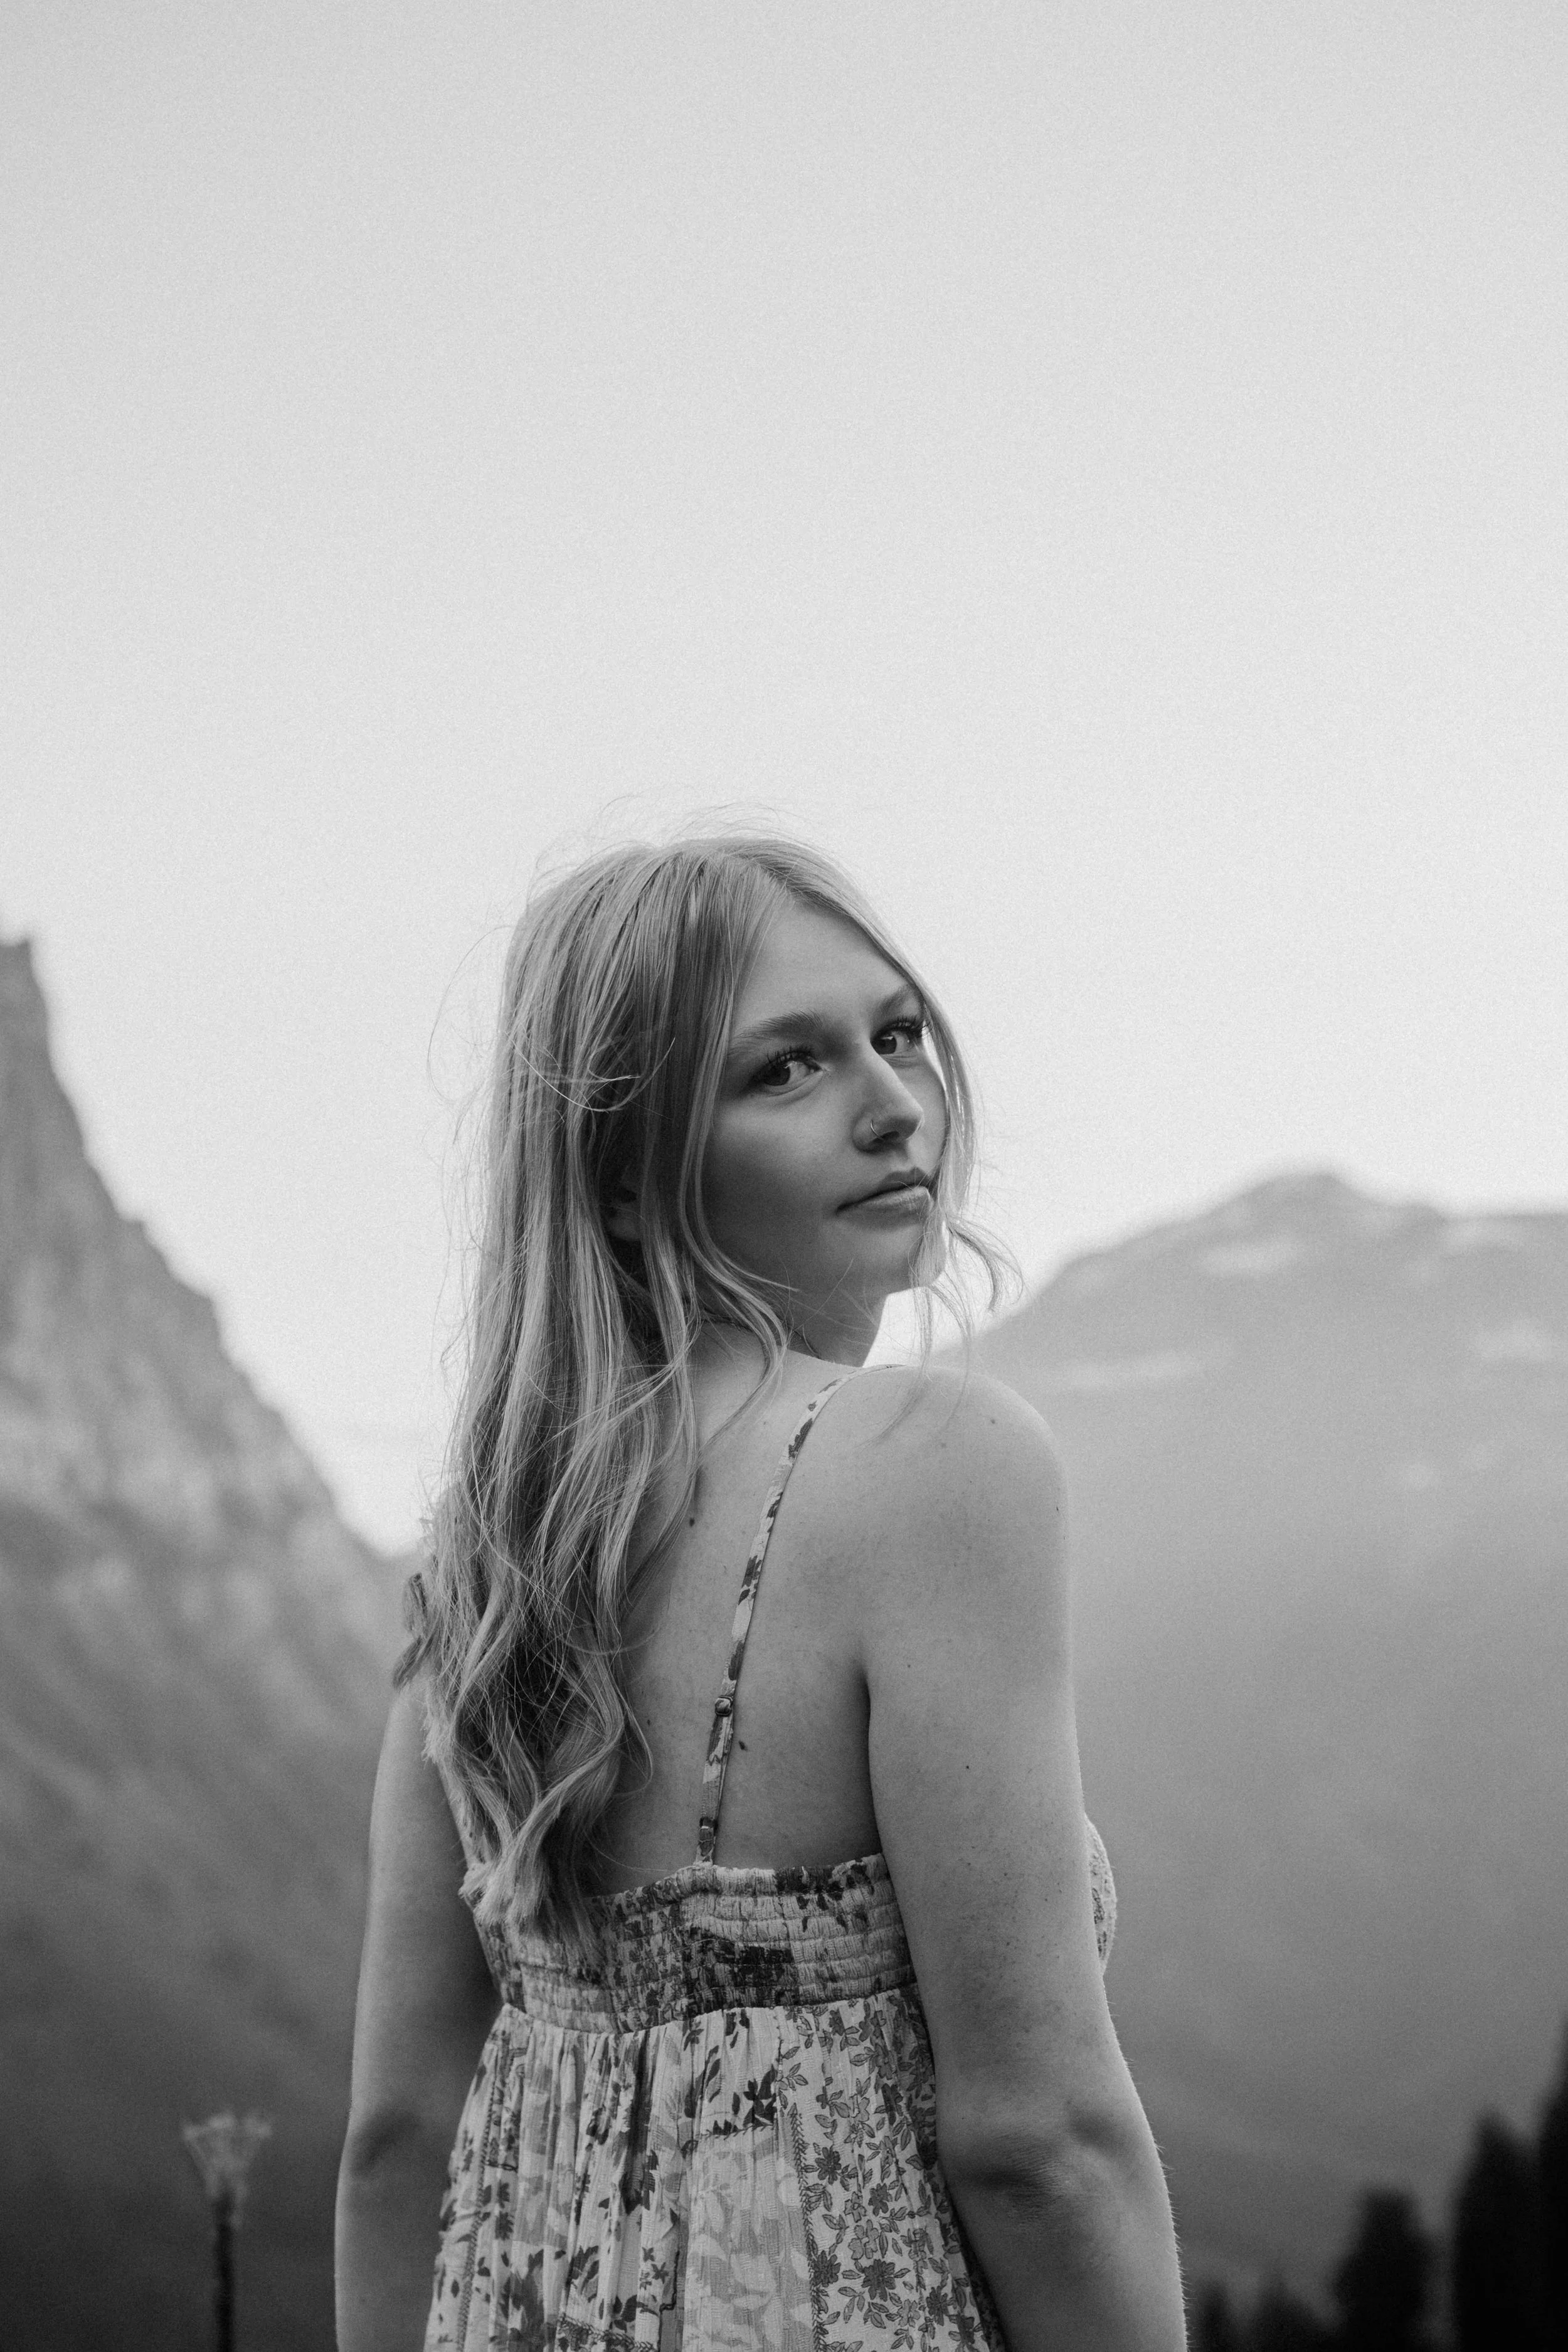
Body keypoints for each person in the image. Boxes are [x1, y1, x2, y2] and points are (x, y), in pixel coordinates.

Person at [335, 830, 1185, 2351]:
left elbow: (398, 2142)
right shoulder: (933, 1461)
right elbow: (1039, 2147)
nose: (891, 1104)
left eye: (894, 1034)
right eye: (782, 1069)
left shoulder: (486, 1557)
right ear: (619, 1181)